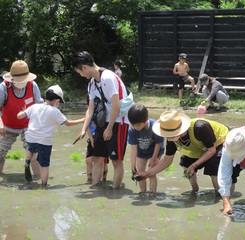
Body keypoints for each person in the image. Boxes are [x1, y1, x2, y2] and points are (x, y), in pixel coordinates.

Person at [71, 51, 129, 188]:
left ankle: (115, 191)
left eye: (79, 71)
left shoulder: (107, 78)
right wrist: (84, 129)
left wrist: (109, 129)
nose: (80, 75)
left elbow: (116, 105)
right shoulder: (92, 83)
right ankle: (96, 188)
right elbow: (90, 109)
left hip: (118, 121)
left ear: (84, 67)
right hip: (102, 121)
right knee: (97, 157)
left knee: (116, 160)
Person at [138, 110, 229, 195]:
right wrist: (147, 174)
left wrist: (194, 165)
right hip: (202, 148)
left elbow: (211, 150)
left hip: (220, 143)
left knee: (213, 166)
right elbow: (167, 160)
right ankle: (195, 190)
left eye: (170, 134)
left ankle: (220, 195)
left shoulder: (200, 127)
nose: (168, 137)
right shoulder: (172, 139)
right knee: (185, 162)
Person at [17, 85, 84, 188]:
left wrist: (23, 111)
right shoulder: (55, 111)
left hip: (30, 137)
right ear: (57, 101)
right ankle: (44, 186)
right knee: (45, 165)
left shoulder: (35, 106)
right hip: (44, 141)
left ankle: (27, 160)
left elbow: (20, 116)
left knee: (31, 147)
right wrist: (82, 120)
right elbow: (68, 123)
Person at [0, 60, 43, 180]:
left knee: (35, 154)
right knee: (0, 153)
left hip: (28, 125)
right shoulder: (4, 87)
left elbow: (40, 106)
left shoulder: (32, 85)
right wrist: (0, 123)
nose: (21, 84)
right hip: (7, 125)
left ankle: (38, 180)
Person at [218, 126, 245, 214]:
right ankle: (228, 204)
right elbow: (224, 174)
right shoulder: (230, 144)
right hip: (238, 163)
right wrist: (226, 202)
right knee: (231, 178)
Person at [127, 104, 165, 194]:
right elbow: (133, 149)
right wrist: (133, 166)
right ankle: (143, 193)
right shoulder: (132, 130)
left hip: (155, 151)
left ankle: (152, 194)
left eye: (138, 125)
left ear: (146, 119)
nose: (136, 127)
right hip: (141, 152)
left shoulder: (154, 126)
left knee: (151, 172)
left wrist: (154, 158)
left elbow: (158, 143)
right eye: (133, 125)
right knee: (140, 173)